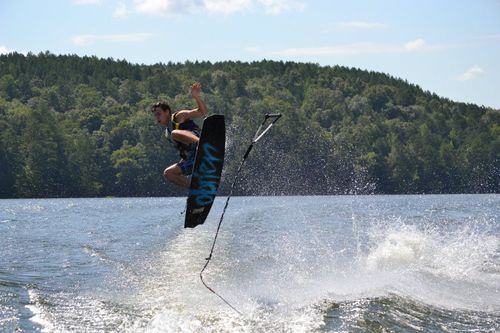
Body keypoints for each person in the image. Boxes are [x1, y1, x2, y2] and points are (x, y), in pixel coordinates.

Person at [151, 82, 207, 188]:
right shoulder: (167, 134)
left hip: (201, 143)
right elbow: (184, 152)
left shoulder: (178, 116)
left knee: (175, 133)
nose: (157, 117)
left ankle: (202, 146)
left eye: (159, 114)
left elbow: (202, 112)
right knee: (168, 173)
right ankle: (196, 188)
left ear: (167, 112)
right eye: (155, 115)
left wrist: (196, 97)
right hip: (194, 157)